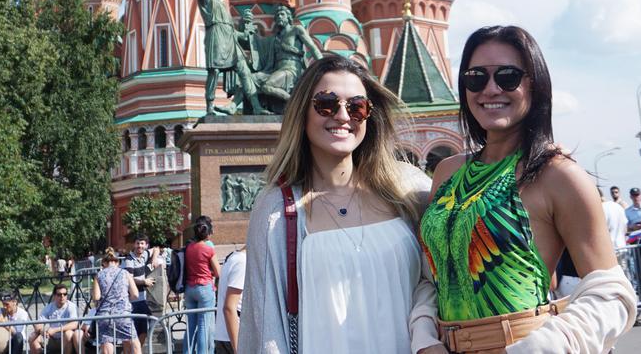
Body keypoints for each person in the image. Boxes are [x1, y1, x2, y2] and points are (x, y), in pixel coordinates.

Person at [420, 26, 636, 352]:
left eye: (507, 77)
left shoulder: (557, 175)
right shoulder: (448, 172)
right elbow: (431, 274)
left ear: (534, 85)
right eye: (476, 77)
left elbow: (611, 292)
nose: (490, 89)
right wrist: (424, 338)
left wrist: (538, 348)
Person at [240, 53, 445, 353]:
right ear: (302, 113)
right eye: (326, 104)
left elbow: (441, 280)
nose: (343, 116)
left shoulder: (408, 190)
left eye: (357, 107)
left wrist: (426, 333)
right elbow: (265, 322)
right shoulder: (276, 209)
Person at [91, 248, 137, 354]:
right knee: (134, 342)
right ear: (117, 262)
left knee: (107, 344)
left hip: (105, 315)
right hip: (123, 314)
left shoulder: (99, 275)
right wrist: (124, 300)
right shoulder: (125, 273)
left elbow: (97, 297)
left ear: (103, 263)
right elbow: (135, 294)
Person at [184, 217, 219, 354]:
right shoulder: (208, 249)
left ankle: (187, 352)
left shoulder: (188, 247)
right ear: (208, 233)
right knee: (204, 325)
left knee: (191, 325)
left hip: (189, 288)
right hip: (204, 288)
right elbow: (218, 272)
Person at [121, 236, 155, 351]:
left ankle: (136, 351)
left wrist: (153, 261)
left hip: (143, 299)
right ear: (134, 244)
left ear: (145, 245)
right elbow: (129, 279)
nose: (139, 246)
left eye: (142, 244)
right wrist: (144, 281)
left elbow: (156, 249)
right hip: (132, 301)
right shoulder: (129, 259)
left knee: (144, 332)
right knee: (130, 334)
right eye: (137, 243)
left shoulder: (145, 254)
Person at [30, 285, 79, 354]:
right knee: (33, 336)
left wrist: (55, 330)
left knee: (69, 333)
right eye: (59, 294)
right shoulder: (49, 307)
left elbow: (74, 324)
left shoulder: (71, 306)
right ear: (54, 296)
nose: (62, 296)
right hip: (52, 339)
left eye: (64, 294)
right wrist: (42, 330)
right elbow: (38, 323)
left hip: (66, 340)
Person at [213, 247, 245, 354]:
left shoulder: (235, 258)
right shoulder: (242, 262)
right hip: (233, 338)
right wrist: (238, 350)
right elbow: (229, 308)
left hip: (227, 336)